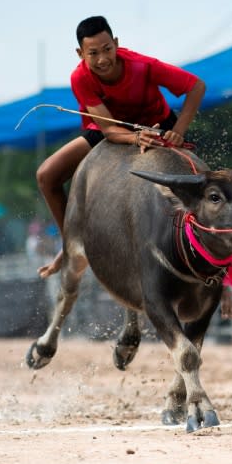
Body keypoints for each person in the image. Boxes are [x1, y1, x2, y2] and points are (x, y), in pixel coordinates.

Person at [35, 16, 206, 279]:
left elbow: (196, 86)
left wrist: (178, 131)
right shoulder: (80, 77)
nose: (103, 59)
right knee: (46, 175)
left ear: (116, 43)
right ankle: (71, 243)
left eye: (107, 49)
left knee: (203, 183)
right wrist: (135, 138)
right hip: (111, 132)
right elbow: (108, 129)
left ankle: (213, 248)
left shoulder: (143, 65)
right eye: (93, 53)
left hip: (158, 125)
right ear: (81, 54)